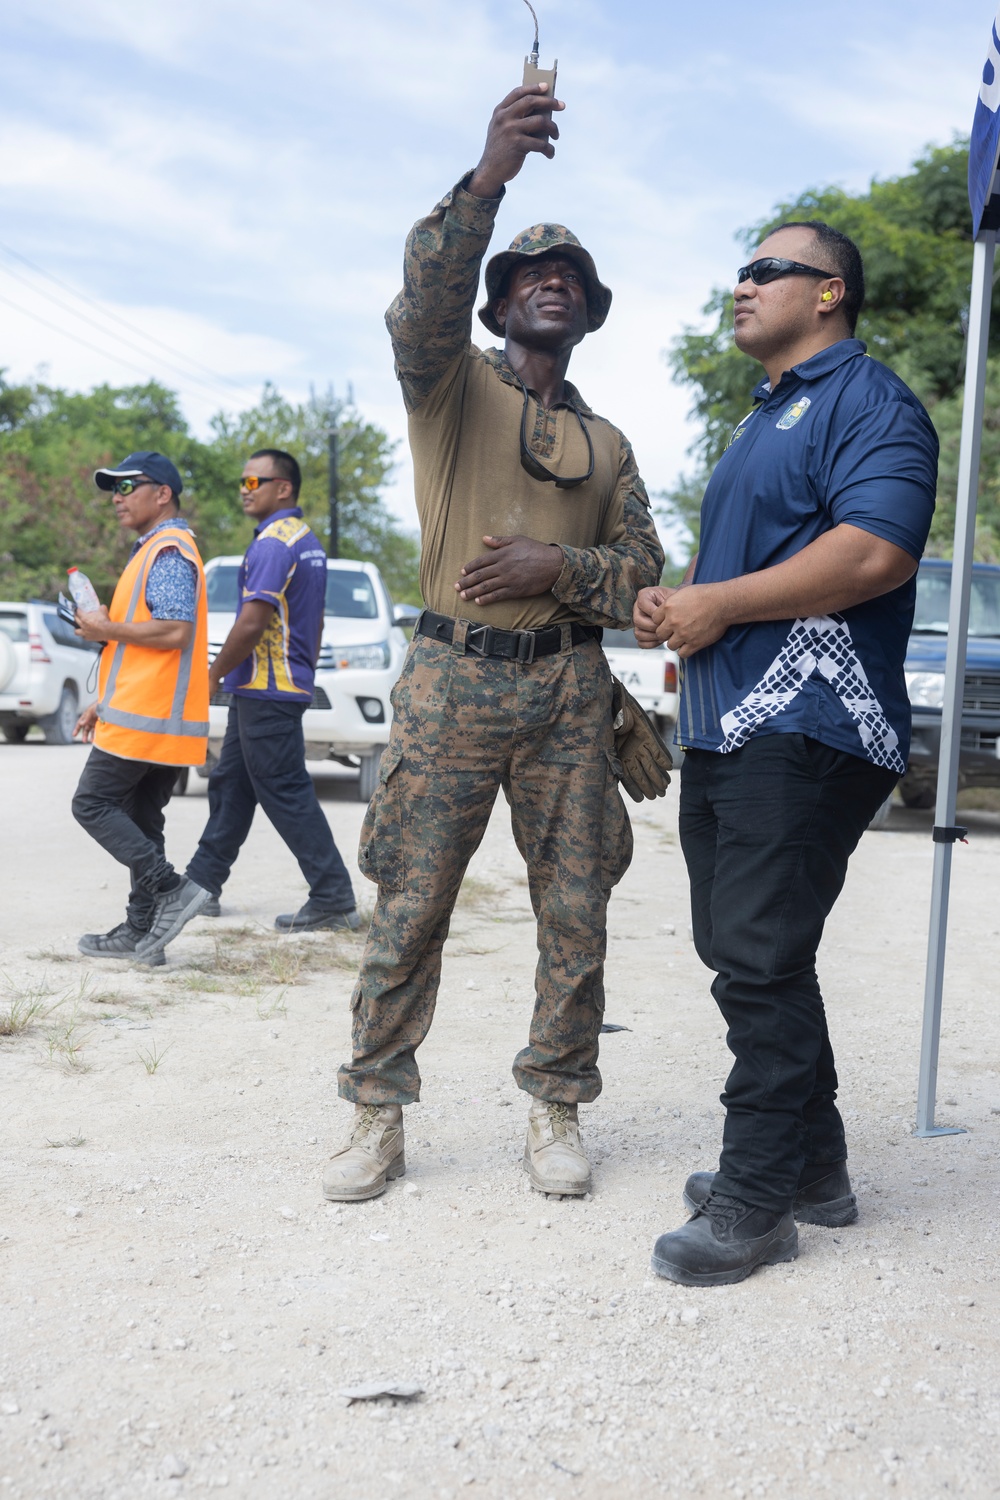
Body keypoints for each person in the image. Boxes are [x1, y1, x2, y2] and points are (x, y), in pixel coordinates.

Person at [324, 84, 664, 1204]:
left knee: (575, 909)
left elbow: (646, 580)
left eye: (567, 276)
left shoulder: (608, 444)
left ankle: (556, 1105)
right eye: (526, 274)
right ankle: (377, 1110)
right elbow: (419, 303)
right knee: (410, 903)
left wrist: (553, 569)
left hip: (567, 695)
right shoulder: (447, 386)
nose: (549, 282)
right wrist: (489, 179)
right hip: (452, 680)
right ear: (500, 302)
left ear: (586, 310)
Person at [635, 222, 939, 1286]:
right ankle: (814, 1170)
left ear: (828, 293)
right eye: (738, 269)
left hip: (813, 724)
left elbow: (872, 550)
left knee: (758, 959)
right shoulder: (763, 419)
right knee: (744, 951)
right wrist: (682, 603)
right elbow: (749, 577)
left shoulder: (869, 402)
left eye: (765, 270)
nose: (740, 285)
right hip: (728, 725)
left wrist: (716, 602)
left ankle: (756, 1199)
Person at [170, 448, 358, 941]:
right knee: (232, 781)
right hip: (269, 687)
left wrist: (211, 675)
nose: (244, 489)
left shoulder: (274, 544)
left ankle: (333, 895)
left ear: (283, 489)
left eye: (255, 482)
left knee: (285, 790)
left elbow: (252, 622)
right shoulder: (304, 540)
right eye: (243, 481)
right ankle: (202, 884)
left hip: (267, 690)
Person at [72, 451, 211, 965]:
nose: (117, 497)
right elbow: (138, 649)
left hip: (148, 719)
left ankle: (172, 890)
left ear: (163, 494)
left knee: (92, 804)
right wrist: (101, 703)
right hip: (150, 716)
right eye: (114, 488)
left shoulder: (169, 550)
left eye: (129, 486)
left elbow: (174, 632)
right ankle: (143, 930)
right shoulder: (154, 550)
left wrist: (104, 628)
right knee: (140, 817)